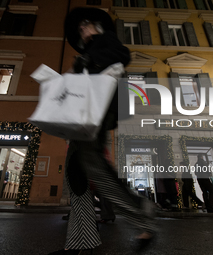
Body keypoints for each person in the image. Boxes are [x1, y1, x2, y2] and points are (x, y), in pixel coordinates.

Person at [48, 8, 156, 255]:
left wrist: (88, 63)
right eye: (80, 27)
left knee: (94, 167)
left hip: (94, 115)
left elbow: (121, 55)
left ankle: (141, 212)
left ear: (97, 26)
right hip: (83, 118)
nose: (82, 29)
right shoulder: (89, 50)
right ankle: (79, 241)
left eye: (86, 24)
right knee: (76, 179)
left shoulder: (104, 41)